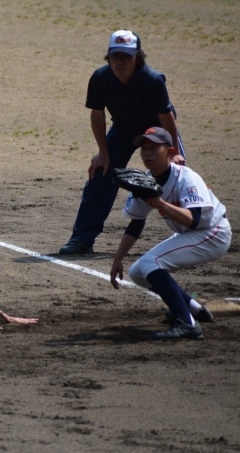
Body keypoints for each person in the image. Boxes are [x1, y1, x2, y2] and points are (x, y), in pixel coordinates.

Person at [60, 30, 186, 255]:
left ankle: (192, 233)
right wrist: (103, 153)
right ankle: (82, 239)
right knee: (101, 172)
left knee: (176, 177)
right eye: (115, 56)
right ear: (108, 57)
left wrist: (174, 151)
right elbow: (97, 114)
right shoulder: (100, 78)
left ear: (137, 58)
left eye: (126, 56)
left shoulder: (152, 79)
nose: (120, 61)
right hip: (123, 129)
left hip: (156, 131)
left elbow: (166, 117)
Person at [109, 127, 231, 340]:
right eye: (144, 148)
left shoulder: (187, 178)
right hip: (191, 234)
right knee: (137, 272)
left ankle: (187, 323)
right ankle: (194, 309)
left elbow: (193, 220)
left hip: (213, 233)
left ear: (169, 151)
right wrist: (118, 259)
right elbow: (136, 223)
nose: (147, 153)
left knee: (151, 263)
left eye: (154, 147)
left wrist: (158, 202)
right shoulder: (144, 182)